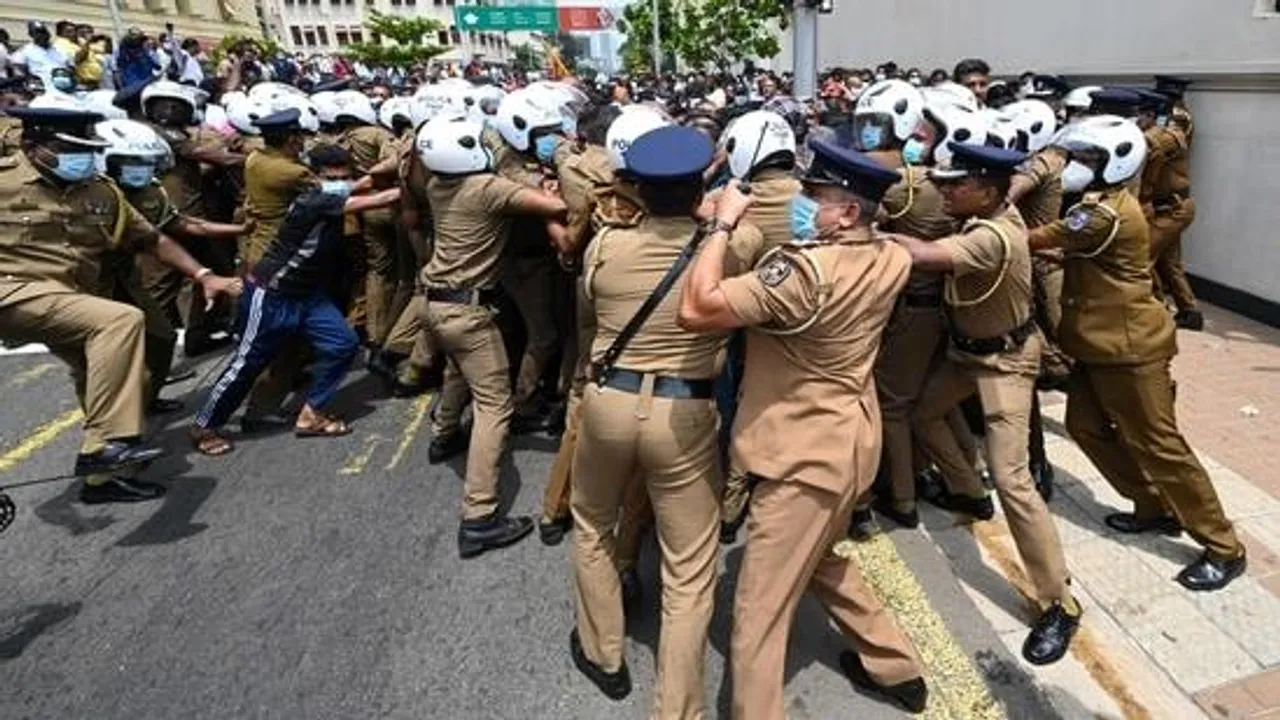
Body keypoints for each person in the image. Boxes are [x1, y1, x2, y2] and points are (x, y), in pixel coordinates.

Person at [679, 139, 927, 716]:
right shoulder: (890, 257)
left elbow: (698, 309)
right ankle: (896, 667)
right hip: (850, 446)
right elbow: (901, 245)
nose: (805, 203)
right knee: (820, 559)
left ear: (846, 214)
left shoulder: (802, 271)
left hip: (802, 457)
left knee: (758, 614)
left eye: (818, 197)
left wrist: (719, 227)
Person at [568, 125, 762, 715]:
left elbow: (587, 316)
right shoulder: (735, 243)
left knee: (593, 522)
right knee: (689, 567)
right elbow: (742, 233)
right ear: (703, 181)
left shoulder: (604, 246)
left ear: (639, 190)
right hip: (685, 409)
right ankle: (678, 707)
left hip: (607, 401)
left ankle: (604, 653)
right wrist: (717, 214)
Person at [1029, 115, 1247, 591]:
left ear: (1115, 163)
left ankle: (1224, 546)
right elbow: (1082, 253)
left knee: (1160, 444)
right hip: (1096, 343)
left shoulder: (1100, 214)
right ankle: (1154, 505)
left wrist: (998, 230)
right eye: (1078, 156)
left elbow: (1038, 238)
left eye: (1088, 158)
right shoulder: (1099, 206)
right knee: (1084, 426)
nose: (1077, 166)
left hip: (1129, 348)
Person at [890, 142, 1082, 665]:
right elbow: (1026, 175)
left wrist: (867, 235)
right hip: (965, 353)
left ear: (987, 191)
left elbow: (925, 257)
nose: (945, 191)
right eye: (945, 183)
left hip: (1006, 363)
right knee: (922, 412)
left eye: (957, 185)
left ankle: (1058, 602)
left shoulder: (992, 237)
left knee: (1014, 479)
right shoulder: (992, 207)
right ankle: (969, 492)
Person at [0, 107, 236, 503]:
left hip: (68, 299)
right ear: (32, 146)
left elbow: (153, 239)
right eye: (67, 149)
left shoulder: (100, 191)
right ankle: (114, 441)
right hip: (12, 291)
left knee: (105, 374)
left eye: (87, 150)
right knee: (121, 321)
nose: (81, 159)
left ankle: (103, 473)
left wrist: (203, 275)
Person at [415, 114, 567, 559]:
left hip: (437, 304)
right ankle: (479, 517)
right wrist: (549, 189)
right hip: (466, 310)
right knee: (494, 405)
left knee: (461, 370)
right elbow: (553, 208)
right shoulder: (486, 189)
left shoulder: (436, 186)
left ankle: (444, 434)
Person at [191, 134, 400, 454]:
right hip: (271, 295)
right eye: (332, 178)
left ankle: (311, 413)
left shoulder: (329, 193)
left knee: (343, 345)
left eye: (344, 177)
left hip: (308, 296)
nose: (340, 183)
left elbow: (359, 186)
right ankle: (205, 426)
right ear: (315, 177)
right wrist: (417, 187)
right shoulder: (312, 199)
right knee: (246, 364)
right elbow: (372, 199)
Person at [852, 79, 959, 530]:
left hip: (902, 305)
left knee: (889, 403)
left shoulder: (883, 174)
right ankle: (950, 480)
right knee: (927, 400)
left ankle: (901, 495)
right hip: (940, 303)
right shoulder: (940, 174)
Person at [95, 117, 248, 412]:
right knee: (107, 351)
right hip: (86, 280)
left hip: (125, 273)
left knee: (161, 336)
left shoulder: (148, 192)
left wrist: (238, 232)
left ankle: (145, 400)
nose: (141, 168)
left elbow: (178, 228)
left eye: (145, 162)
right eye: (132, 162)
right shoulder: (85, 195)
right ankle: (113, 424)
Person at [1135, 89, 1202, 330]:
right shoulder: (1165, 132)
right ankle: (1190, 311)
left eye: (1140, 115)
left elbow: (1147, 157)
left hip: (1172, 209)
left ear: (1151, 114)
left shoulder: (1163, 137)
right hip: (1171, 208)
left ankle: (1158, 313)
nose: (1137, 120)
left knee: (1141, 257)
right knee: (1169, 263)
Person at [11, 22, 70, 87]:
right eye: (37, 33)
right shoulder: (25, 50)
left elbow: (69, 65)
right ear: (31, 35)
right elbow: (17, 67)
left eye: (43, 32)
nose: (42, 35)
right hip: (42, 86)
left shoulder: (59, 49)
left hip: (65, 83)